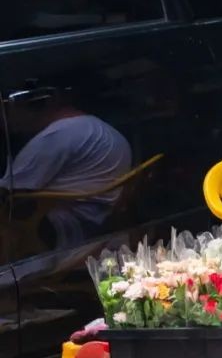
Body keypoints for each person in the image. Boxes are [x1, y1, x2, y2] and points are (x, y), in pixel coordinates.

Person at [1, 86, 132, 247]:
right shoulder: (95, 127)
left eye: (8, 109)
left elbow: (8, 193)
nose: (6, 119)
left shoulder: (57, 135)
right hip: (97, 224)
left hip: (62, 232)